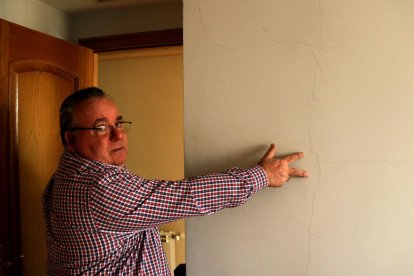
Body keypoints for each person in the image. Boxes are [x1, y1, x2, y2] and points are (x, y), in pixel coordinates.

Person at [42, 87, 309, 275]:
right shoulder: (98, 188)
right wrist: (262, 175)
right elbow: (186, 196)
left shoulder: (64, 177)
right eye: (101, 127)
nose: (118, 135)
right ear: (70, 140)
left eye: (119, 122)